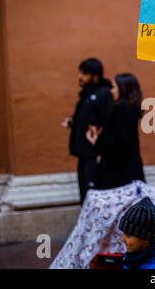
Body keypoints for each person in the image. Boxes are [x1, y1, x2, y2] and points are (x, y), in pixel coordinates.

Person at [65, 58, 113, 203]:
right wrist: (73, 122)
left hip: (95, 155)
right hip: (84, 154)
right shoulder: (86, 95)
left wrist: (101, 148)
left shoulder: (104, 94)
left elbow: (107, 121)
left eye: (84, 74)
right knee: (85, 196)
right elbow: (90, 118)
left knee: (94, 196)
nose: (80, 77)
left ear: (95, 75)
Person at [86, 73, 145, 189]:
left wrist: (96, 141)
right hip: (127, 170)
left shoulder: (121, 109)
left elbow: (119, 143)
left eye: (114, 87)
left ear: (123, 89)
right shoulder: (129, 108)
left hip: (118, 173)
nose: (111, 91)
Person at [119, 196, 155, 269]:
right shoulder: (131, 258)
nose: (122, 238)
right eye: (123, 233)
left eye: (128, 235)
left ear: (146, 239)